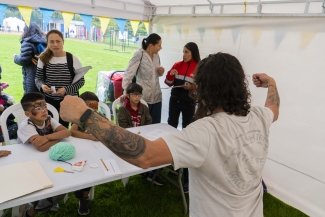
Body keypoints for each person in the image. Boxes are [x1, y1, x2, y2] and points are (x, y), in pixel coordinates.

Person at [60, 52, 279, 216]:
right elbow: (274, 109)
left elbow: (145, 155)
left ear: (204, 89)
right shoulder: (260, 116)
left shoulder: (207, 131)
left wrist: (85, 114)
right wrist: (271, 83)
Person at [17, 92, 71, 217]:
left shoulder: (49, 119)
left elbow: (67, 132)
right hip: (29, 163)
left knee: (63, 179)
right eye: (38, 109)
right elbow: (41, 148)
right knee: (58, 184)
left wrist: (47, 137)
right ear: (28, 114)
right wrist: (58, 137)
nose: (44, 111)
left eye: (45, 106)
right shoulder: (26, 126)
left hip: (48, 158)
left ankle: (47, 200)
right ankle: (32, 211)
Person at [164, 42, 200, 192]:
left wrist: (191, 87)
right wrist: (169, 75)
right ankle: (170, 160)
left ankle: (184, 167)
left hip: (188, 102)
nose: (184, 54)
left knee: (187, 129)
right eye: (183, 51)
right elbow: (167, 83)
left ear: (193, 53)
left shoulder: (198, 67)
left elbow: (200, 88)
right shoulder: (177, 64)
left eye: (186, 52)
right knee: (170, 125)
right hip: (175, 99)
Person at [35, 29, 85, 128]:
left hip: (69, 101)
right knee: (51, 129)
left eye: (58, 41)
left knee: (67, 129)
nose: (55, 44)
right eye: (51, 42)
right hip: (50, 102)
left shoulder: (72, 59)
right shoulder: (43, 58)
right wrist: (42, 86)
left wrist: (66, 90)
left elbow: (81, 81)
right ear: (47, 43)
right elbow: (38, 79)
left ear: (63, 42)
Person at [122, 33, 164, 124]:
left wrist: (161, 72)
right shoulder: (139, 55)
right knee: (144, 126)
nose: (161, 48)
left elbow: (155, 74)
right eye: (159, 45)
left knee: (155, 125)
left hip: (157, 97)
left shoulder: (157, 56)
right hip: (142, 97)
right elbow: (128, 74)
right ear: (151, 45)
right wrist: (127, 92)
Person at [14, 22, 47, 94]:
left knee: (31, 99)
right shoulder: (45, 40)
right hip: (45, 74)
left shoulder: (28, 41)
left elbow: (24, 60)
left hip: (32, 74)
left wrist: (15, 57)